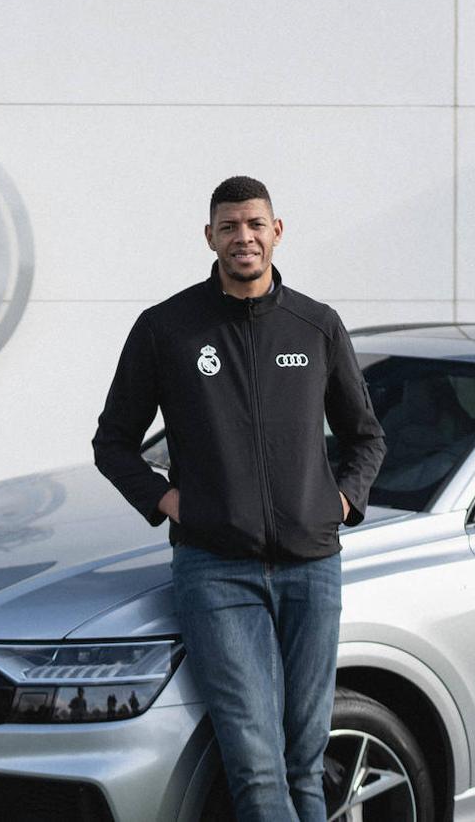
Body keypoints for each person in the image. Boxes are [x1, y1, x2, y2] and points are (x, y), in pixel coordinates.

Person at [91, 175, 386, 821]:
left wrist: (339, 503)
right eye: (229, 226)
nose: (243, 237)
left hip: (313, 567)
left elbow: (366, 436)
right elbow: (112, 442)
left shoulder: (316, 324)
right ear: (210, 236)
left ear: (277, 230)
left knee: (305, 762)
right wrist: (174, 505)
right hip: (215, 570)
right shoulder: (167, 328)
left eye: (255, 224)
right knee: (254, 767)